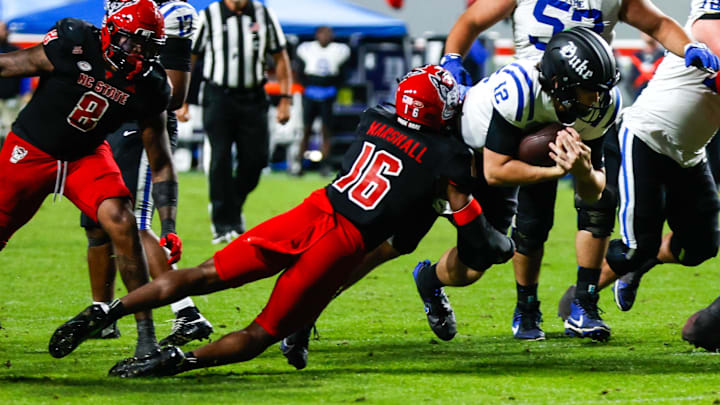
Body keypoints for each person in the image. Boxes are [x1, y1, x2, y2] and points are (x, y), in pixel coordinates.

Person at [48, 65, 514, 377]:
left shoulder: (374, 118)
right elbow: (481, 243)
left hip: (312, 211)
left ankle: (107, 310)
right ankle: (176, 360)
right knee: (261, 332)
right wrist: (501, 239)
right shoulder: (448, 158)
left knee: (204, 275)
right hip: (343, 242)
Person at [438, 0, 720, 341]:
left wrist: (688, 47)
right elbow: (471, 20)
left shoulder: (607, 86)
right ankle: (526, 308)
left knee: (599, 205)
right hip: (533, 101)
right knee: (529, 222)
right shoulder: (518, 90)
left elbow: (659, 24)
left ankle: (583, 304)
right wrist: (451, 59)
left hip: (589, 101)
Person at [414, 27, 620, 343]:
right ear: (560, 84)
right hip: (466, 150)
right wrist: (557, 172)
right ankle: (424, 278)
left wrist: (581, 172)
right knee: (443, 249)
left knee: (484, 258)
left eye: (602, 88)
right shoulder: (520, 90)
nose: (598, 97)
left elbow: (594, 189)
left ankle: (441, 283)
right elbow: (495, 171)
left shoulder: (602, 105)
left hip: (507, 156)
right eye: (590, 89)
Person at [0, 0, 174, 358]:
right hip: (31, 149)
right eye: (133, 43)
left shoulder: (152, 85)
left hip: (86, 155)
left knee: (122, 222)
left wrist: (169, 224)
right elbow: (12, 64)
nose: (139, 54)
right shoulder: (75, 41)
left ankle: (146, 337)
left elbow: (162, 162)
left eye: (149, 46)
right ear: (110, 31)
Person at [557, 0, 720, 322]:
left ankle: (640, 266)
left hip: (689, 153)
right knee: (636, 246)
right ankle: (580, 302)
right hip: (646, 138)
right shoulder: (707, 24)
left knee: (701, 246)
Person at [81, 0, 214, 346]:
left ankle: (187, 314)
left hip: (143, 119)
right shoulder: (120, 4)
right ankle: (102, 314)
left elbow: (175, 93)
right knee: (96, 222)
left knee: (134, 223)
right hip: (110, 113)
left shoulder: (175, 12)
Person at [191, 0, 292, 244]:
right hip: (218, 96)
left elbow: (280, 57)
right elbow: (191, 58)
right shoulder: (209, 16)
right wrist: (181, 99)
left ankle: (232, 207)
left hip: (254, 97)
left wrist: (286, 99)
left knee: (256, 160)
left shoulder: (264, 15)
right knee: (220, 159)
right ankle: (222, 223)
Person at [295, 26, 351, 176]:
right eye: (322, 33)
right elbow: (299, 71)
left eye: (328, 34)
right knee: (306, 129)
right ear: (316, 35)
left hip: (327, 92)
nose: (325, 37)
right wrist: (306, 86)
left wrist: (335, 87)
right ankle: (299, 163)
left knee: (326, 131)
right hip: (311, 92)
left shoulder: (338, 50)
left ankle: (325, 164)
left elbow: (343, 73)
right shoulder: (307, 49)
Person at [0, 21, 31, 143]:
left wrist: (26, 92)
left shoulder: (15, 51)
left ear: (7, 32)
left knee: (11, 129)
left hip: (11, 98)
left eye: (1, 29)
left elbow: (26, 74)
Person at [626, 33, 664, 100]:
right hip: (639, 98)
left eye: (651, 31)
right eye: (645, 31)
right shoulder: (636, 57)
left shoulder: (664, 57)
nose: (648, 33)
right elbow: (629, 82)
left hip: (658, 98)